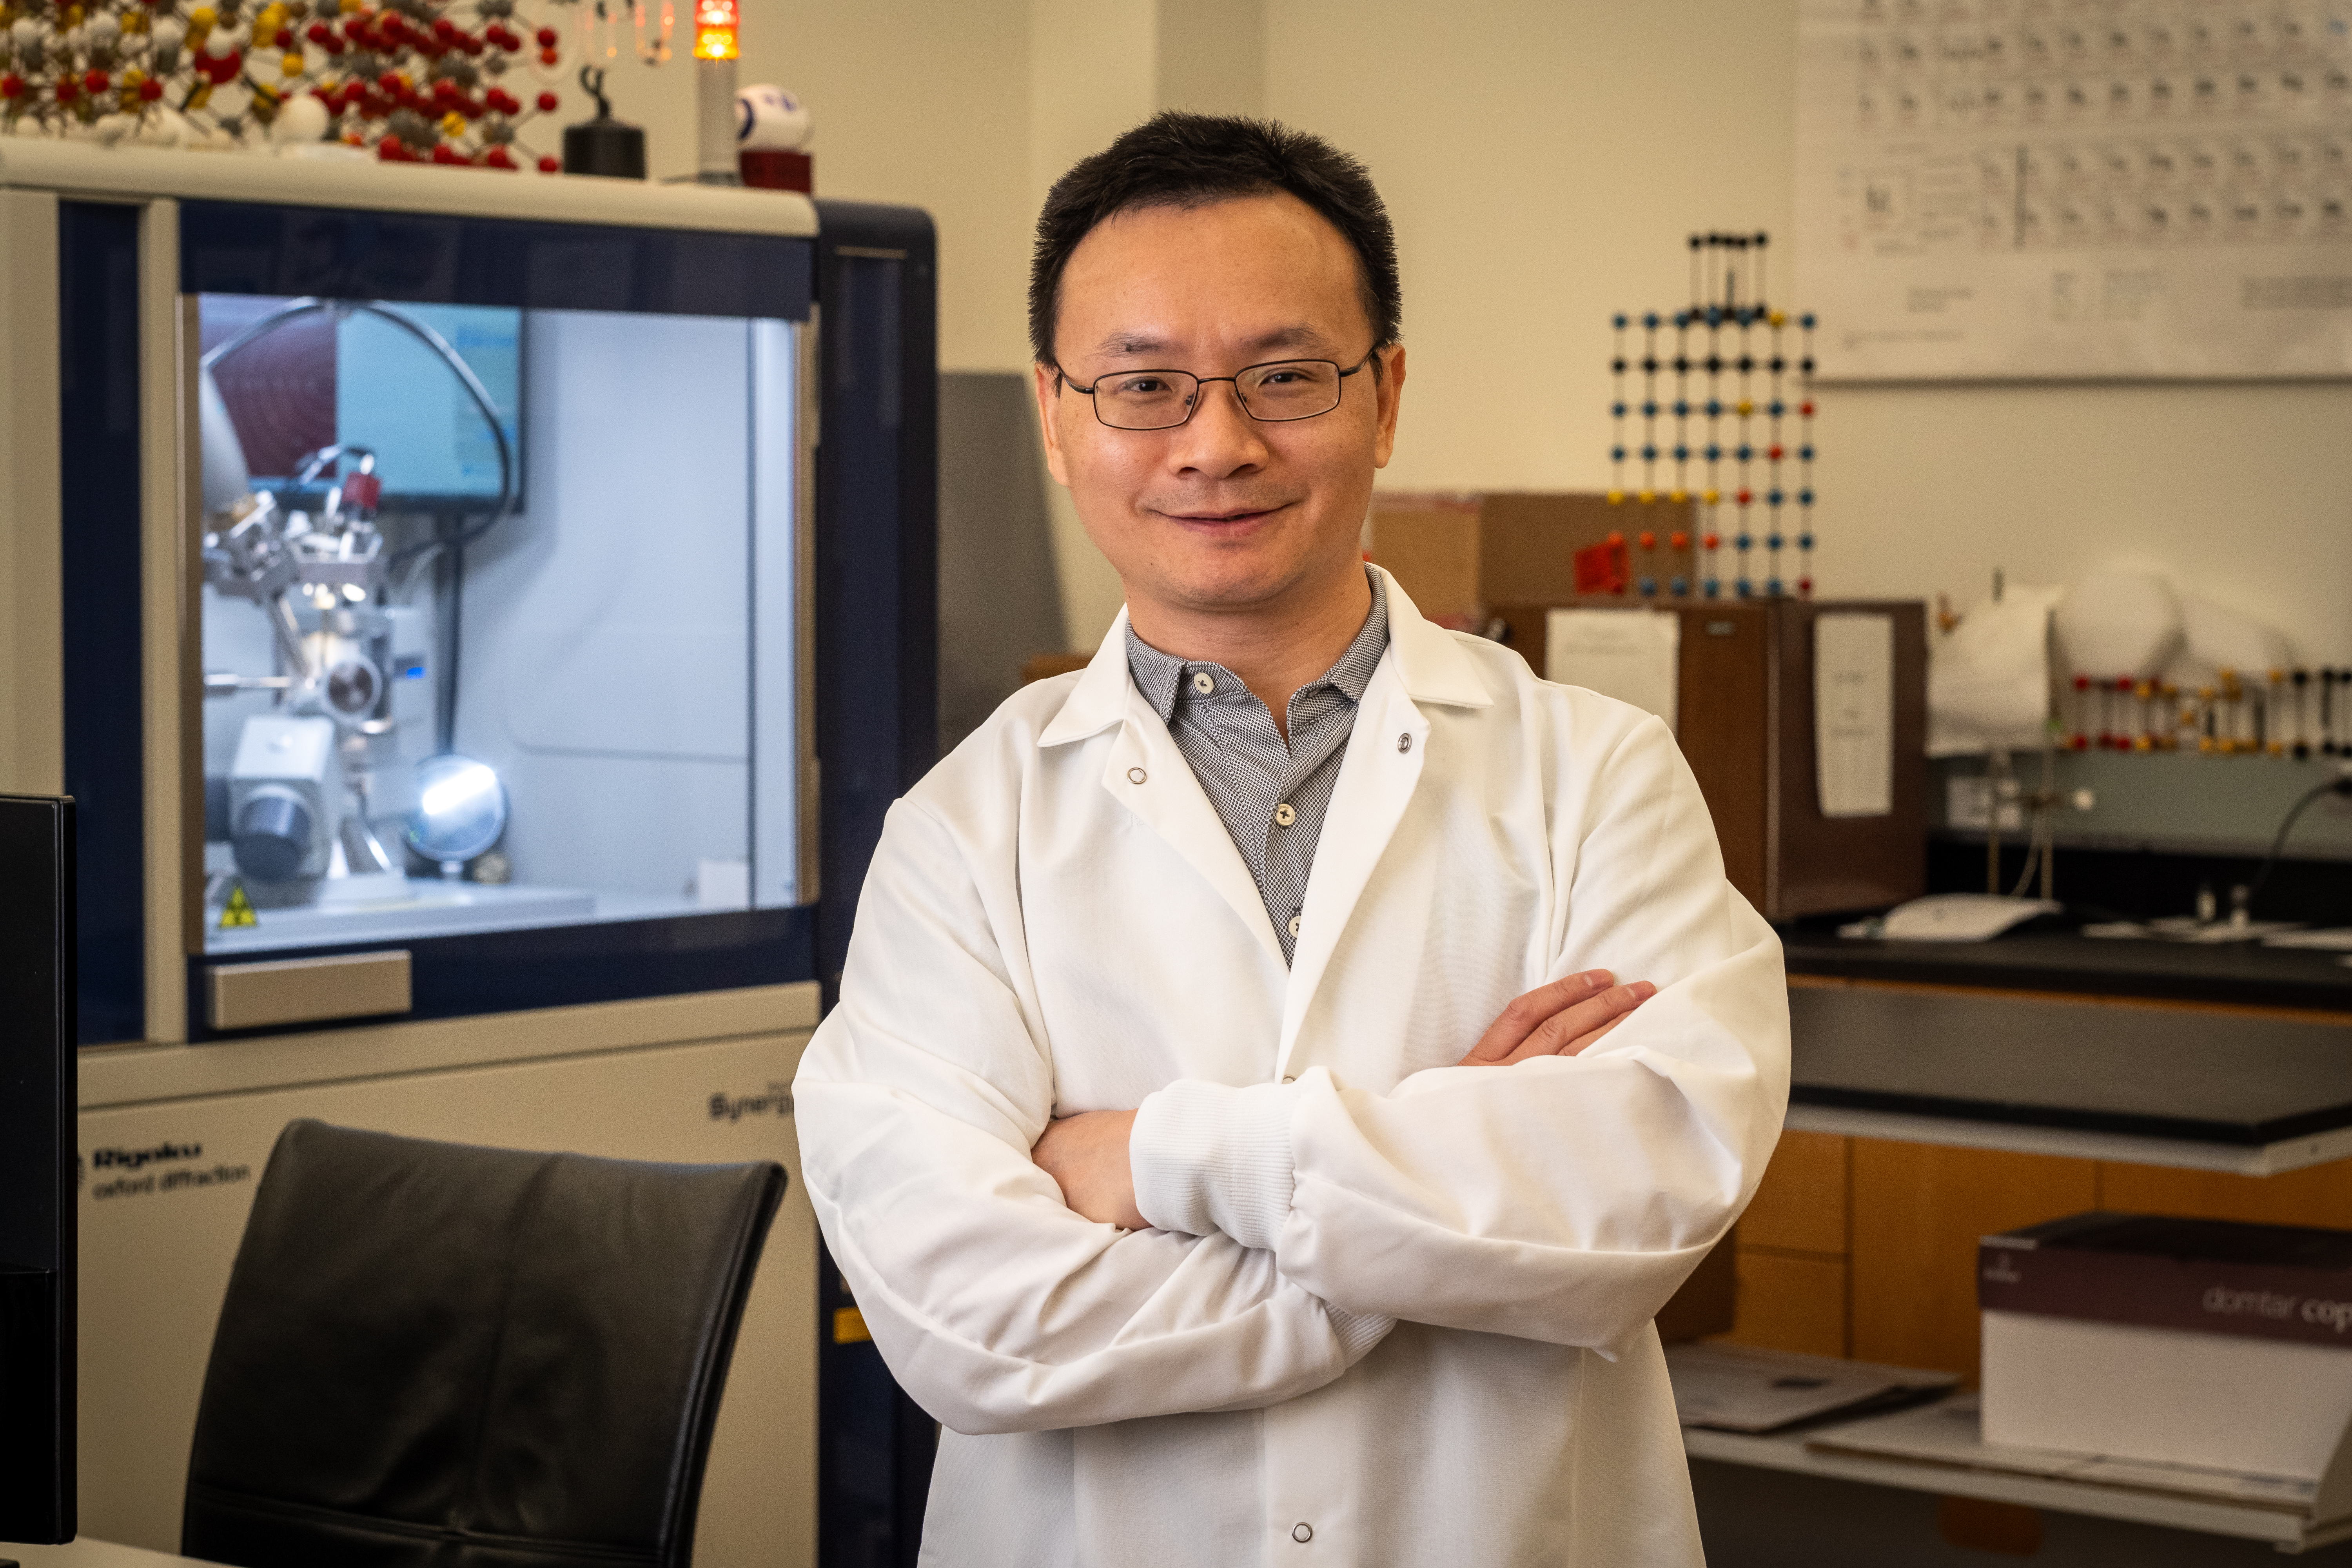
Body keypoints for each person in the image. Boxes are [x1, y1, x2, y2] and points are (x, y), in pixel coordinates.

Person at [794, 111, 1789, 1565]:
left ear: (1384, 397)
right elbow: (968, 1325)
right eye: (1145, 385)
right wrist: (1420, 1242)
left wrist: (1158, 1161)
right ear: (1060, 420)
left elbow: (1648, 1195)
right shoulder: (961, 832)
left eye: (1285, 376)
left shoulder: (1598, 777)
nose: (1218, 442)